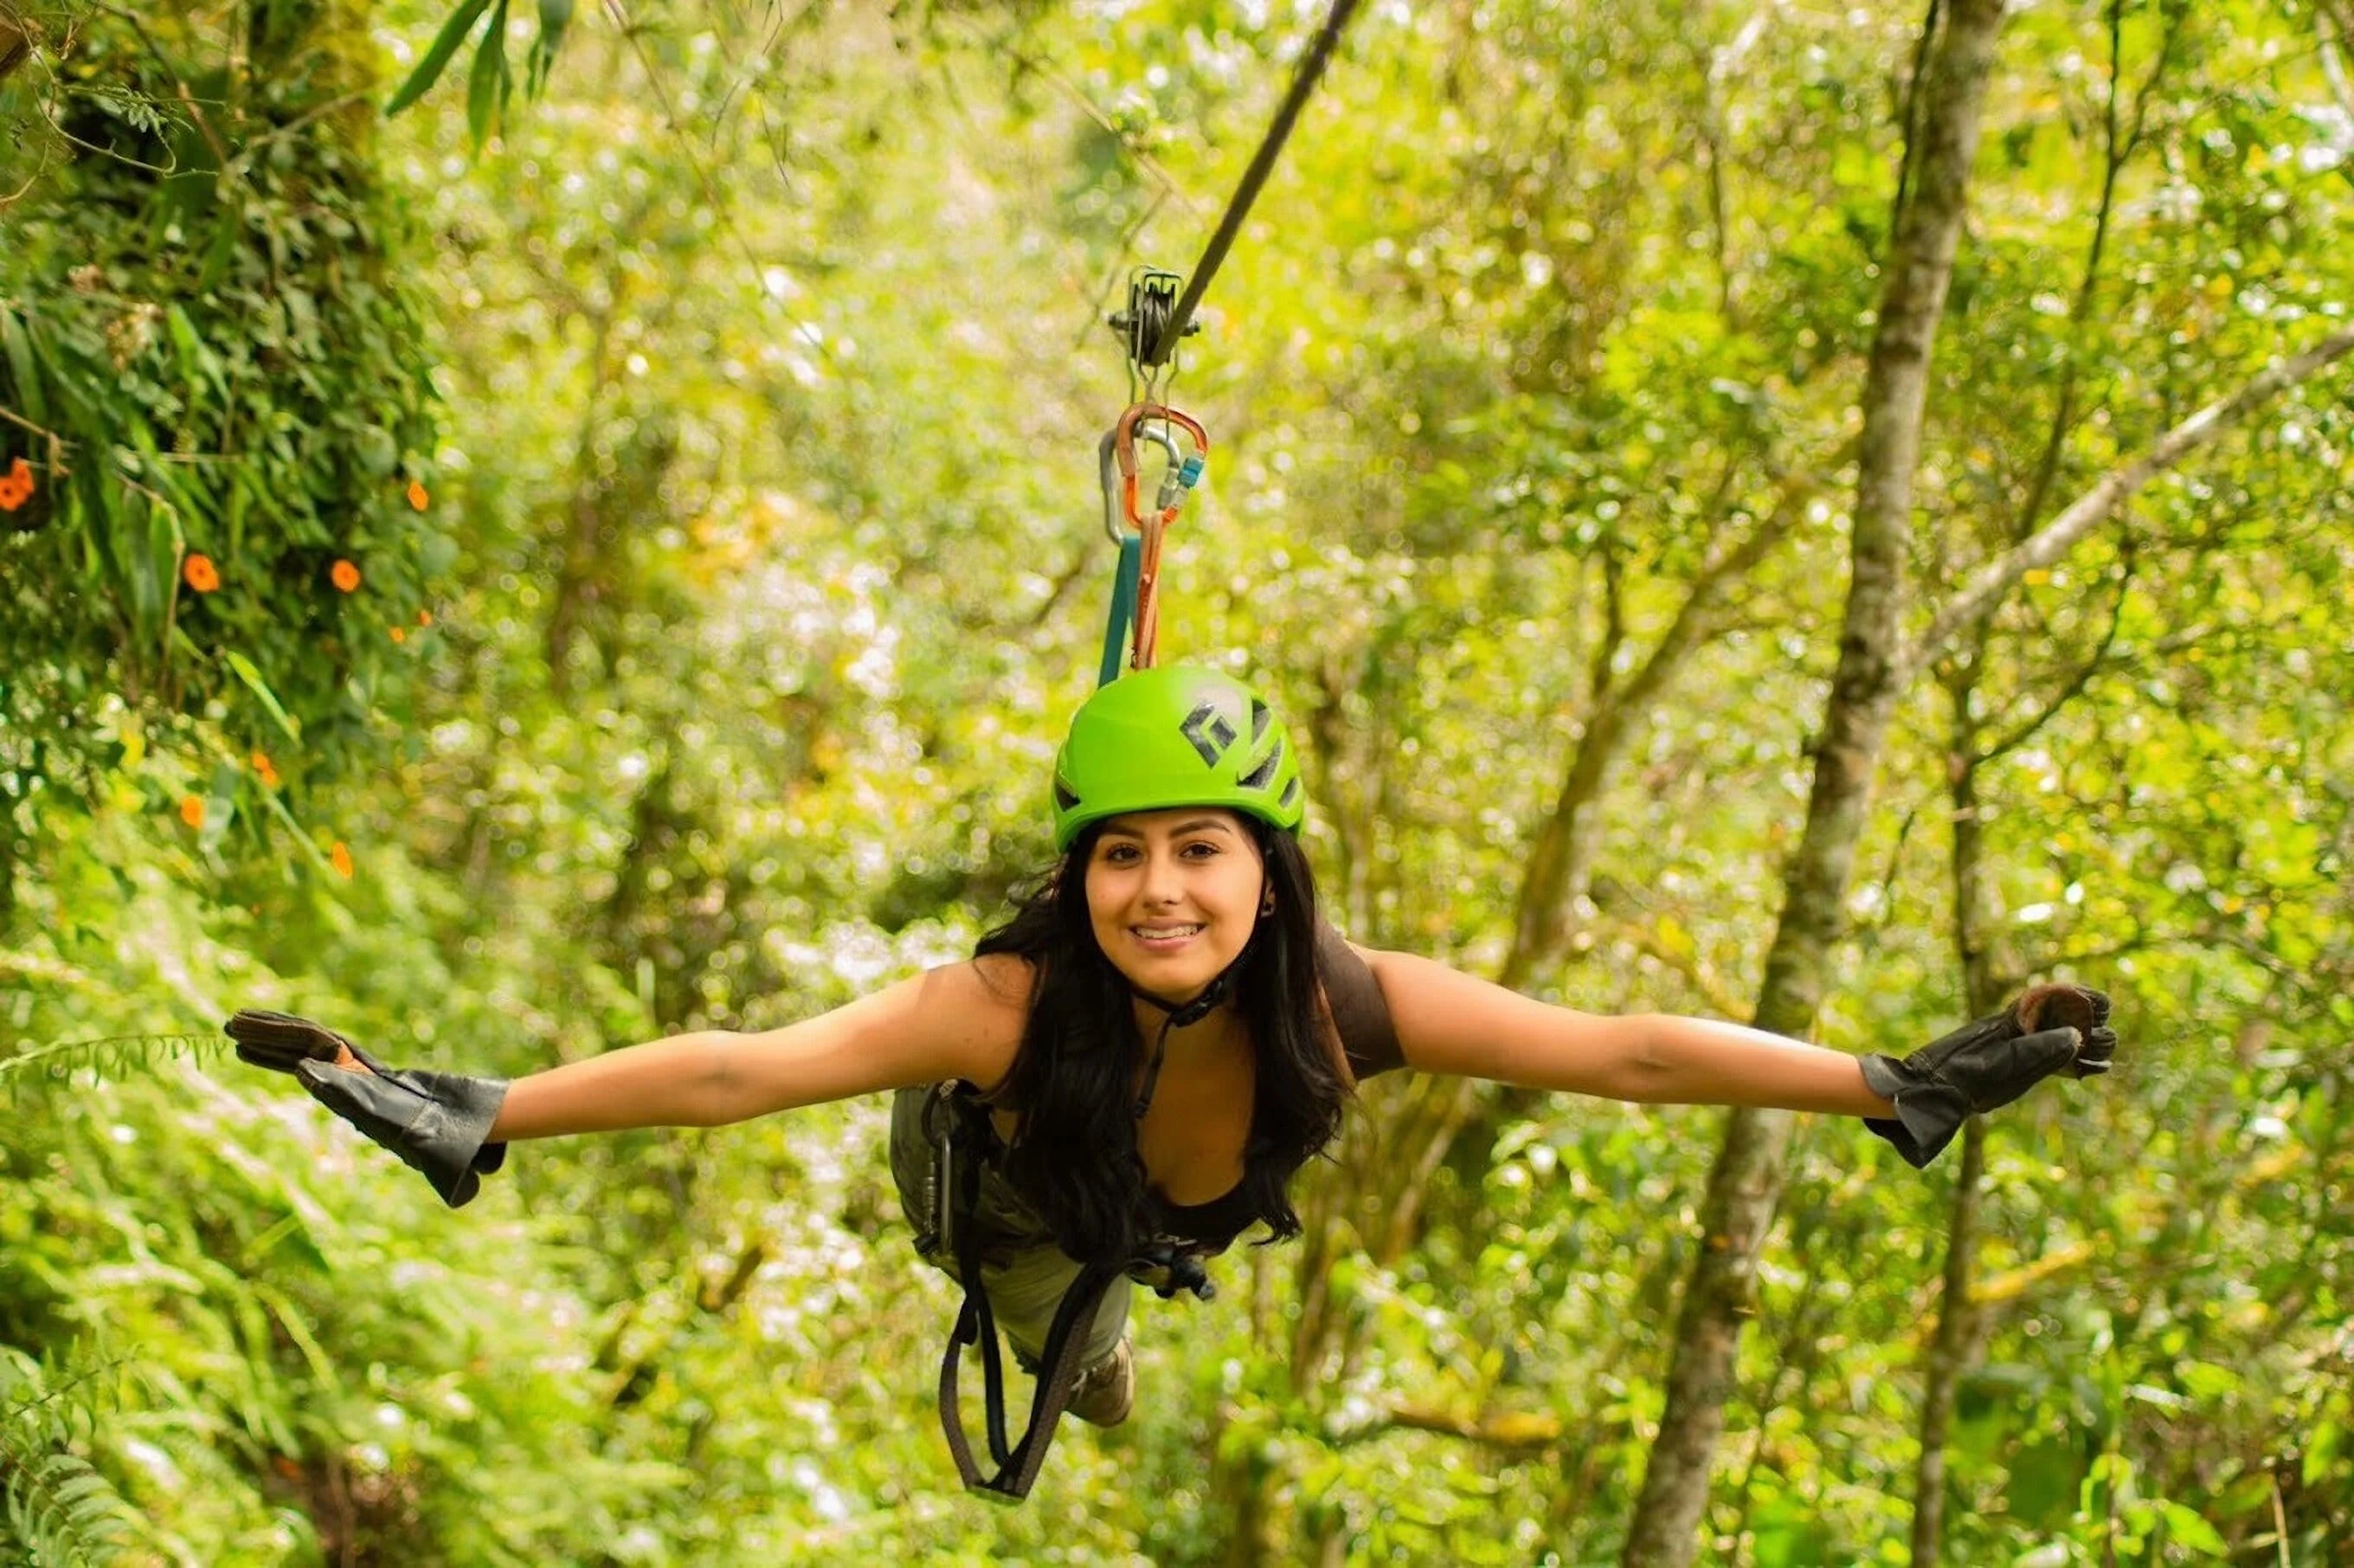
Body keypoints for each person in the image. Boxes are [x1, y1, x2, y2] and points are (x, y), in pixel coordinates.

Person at [229, 664, 2116, 1444]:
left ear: (1267, 869)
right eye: (1119, 854)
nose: (1155, 889)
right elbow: (743, 1066)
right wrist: (481, 1110)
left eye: (1197, 849)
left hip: (1169, 1221)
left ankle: (1109, 1338)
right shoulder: (1008, 1006)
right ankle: (1092, 1344)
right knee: (1062, 1278)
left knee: (1135, 1270)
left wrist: (1890, 1080)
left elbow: (1622, 1049)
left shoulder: (1345, 1001)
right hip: (996, 1204)